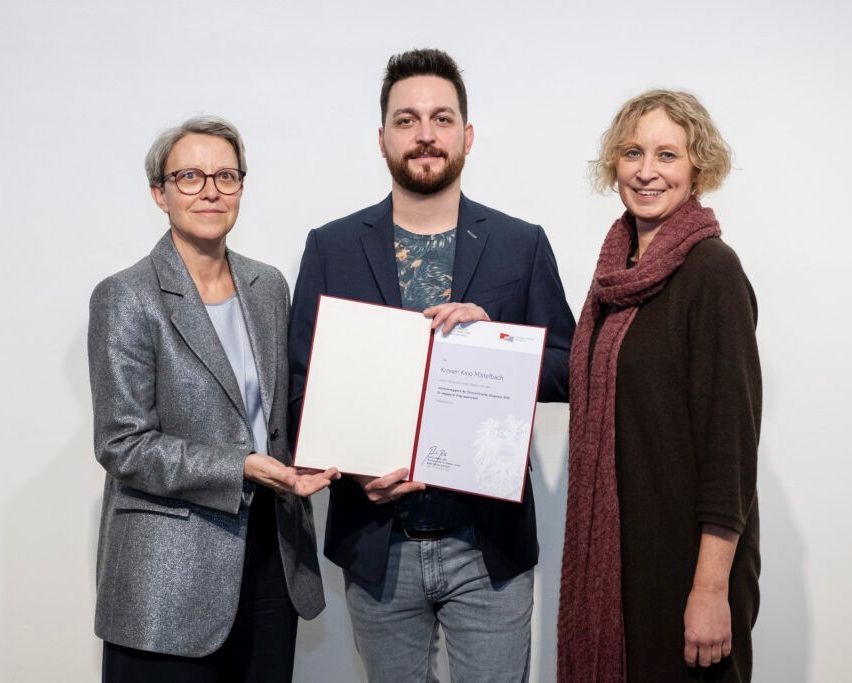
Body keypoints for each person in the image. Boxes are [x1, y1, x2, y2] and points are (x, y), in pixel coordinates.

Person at [288, 49, 575, 681]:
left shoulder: (519, 243)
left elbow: (571, 370)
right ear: (382, 137)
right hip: (377, 540)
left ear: (467, 136)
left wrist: (496, 341)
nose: (425, 134)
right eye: (407, 119)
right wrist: (352, 469)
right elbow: (299, 388)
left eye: (442, 119)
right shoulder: (330, 246)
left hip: (487, 546)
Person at [88, 115, 339, 683]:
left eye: (226, 176)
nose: (210, 191)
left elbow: (286, 410)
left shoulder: (268, 285)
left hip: (273, 558)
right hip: (167, 577)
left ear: (242, 189)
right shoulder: (125, 296)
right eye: (190, 177)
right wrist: (240, 467)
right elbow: (122, 444)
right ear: (160, 193)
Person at [557, 90, 761, 682]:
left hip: (686, 569)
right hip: (618, 564)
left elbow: (731, 450)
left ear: (699, 167)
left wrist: (708, 589)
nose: (646, 171)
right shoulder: (611, 276)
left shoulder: (713, 272)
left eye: (667, 155)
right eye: (632, 152)